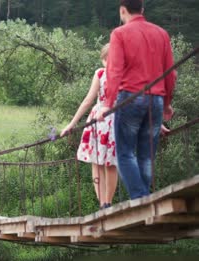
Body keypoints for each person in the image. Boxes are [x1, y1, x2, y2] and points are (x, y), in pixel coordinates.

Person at [96, 0, 176, 200]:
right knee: (147, 155)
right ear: (142, 9)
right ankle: (145, 197)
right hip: (156, 100)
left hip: (130, 98)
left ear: (123, 11)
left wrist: (107, 105)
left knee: (124, 154)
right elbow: (170, 74)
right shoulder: (161, 34)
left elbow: (114, 72)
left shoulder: (120, 34)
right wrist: (166, 104)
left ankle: (141, 199)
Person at [61, 44, 118, 209]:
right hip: (98, 122)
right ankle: (103, 204)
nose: (108, 62)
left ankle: (107, 203)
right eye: (106, 59)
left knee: (109, 162)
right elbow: (88, 100)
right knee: (98, 162)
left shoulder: (121, 74)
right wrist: (72, 123)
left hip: (112, 121)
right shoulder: (100, 73)